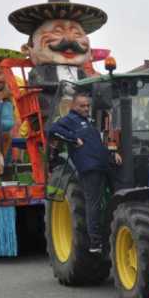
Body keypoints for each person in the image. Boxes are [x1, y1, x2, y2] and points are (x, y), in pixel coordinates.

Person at [48, 92, 122, 253]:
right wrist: (73, 139)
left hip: (103, 164)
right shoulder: (70, 120)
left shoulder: (88, 122)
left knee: (118, 197)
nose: (86, 108)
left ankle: (113, 232)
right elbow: (52, 130)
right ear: (73, 106)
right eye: (82, 105)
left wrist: (111, 154)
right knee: (93, 203)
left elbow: (96, 144)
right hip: (89, 167)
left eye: (88, 105)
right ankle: (95, 242)